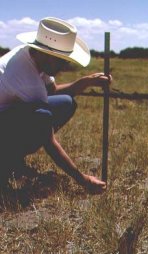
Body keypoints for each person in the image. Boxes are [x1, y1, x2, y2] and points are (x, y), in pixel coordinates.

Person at [0, 17, 111, 194]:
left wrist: (86, 81)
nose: (64, 66)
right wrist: (83, 179)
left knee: (66, 102)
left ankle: (12, 159)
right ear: (45, 54)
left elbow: (53, 91)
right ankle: (8, 161)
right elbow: (49, 140)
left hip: (8, 115)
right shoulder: (24, 78)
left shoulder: (30, 55)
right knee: (43, 117)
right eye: (61, 61)